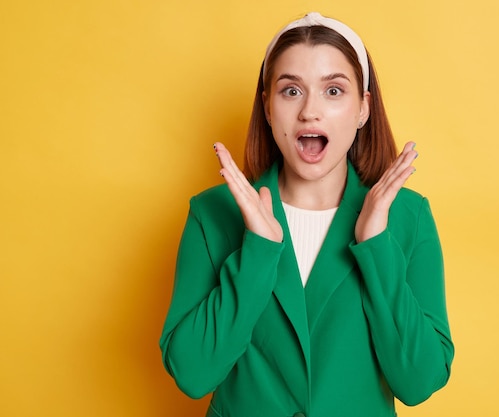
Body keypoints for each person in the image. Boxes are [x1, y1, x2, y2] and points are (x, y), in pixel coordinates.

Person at [159, 12, 454, 417]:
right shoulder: (211, 214)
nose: (310, 112)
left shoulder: (409, 216)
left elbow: (419, 381)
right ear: (267, 106)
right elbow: (192, 374)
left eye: (334, 91)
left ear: (363, 109)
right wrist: (257, 253)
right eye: (291, 91)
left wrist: (376, 245)